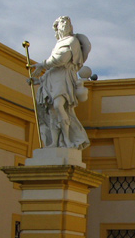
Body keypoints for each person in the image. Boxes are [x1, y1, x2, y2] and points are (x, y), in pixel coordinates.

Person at [30, 15, 90, 149]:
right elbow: (53, 69)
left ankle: (67, 140)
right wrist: (39, 80)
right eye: (62, 24)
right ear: (57, 29)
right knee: (52, 111)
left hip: (64, 78)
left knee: (58, 105)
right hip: (52, 79)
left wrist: (42, 64)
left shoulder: (72, 41)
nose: (65, 26)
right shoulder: (58, 44)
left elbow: (62, 59)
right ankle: (56, 143)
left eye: (67, 23)